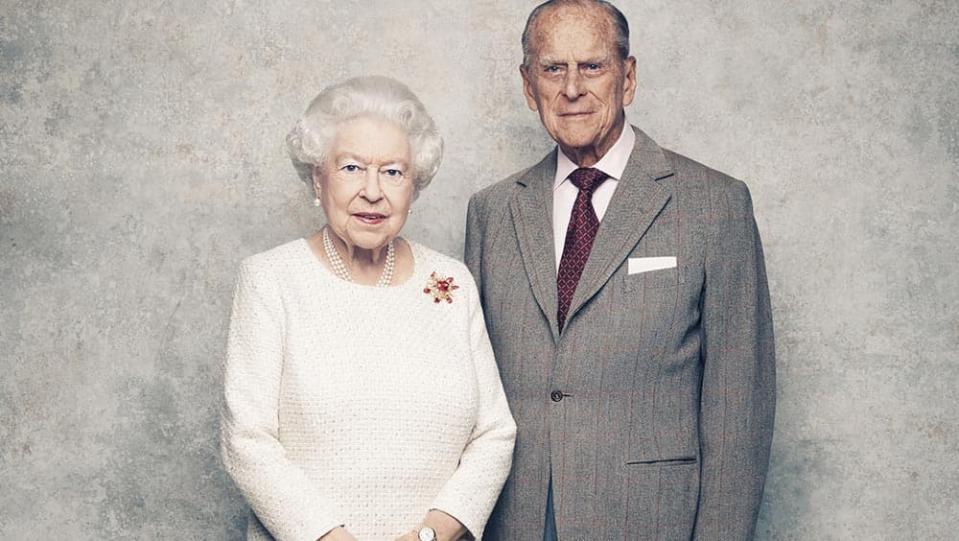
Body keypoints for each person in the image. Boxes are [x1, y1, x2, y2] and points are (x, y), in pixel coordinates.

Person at [464, 1, 776, 539]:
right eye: (552, 68)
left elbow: (738, 408)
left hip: (650, 520)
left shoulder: (714, 204)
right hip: (513, 520)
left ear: (627, 77)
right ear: (526, 84)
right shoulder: (491, 212)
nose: (571, 88)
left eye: (592, 66)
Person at [221, 75, 516, 541]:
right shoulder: (271, 280)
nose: (373, 191)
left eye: (393, 172)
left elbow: (495, 434)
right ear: (318, 179)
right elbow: (247, 442)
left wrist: (431, 536)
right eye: (352, 168)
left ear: (414, 188)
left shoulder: (451, 282)